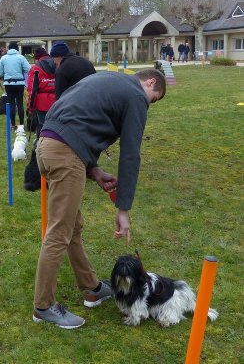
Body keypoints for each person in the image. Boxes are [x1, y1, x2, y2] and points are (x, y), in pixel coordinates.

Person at [32, 69, 167, 329]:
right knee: (59, 232)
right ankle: (43, 306)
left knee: (73, 227)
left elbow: (74, 117)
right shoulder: (136, 95)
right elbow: (130, 155)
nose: (148, 105)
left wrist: (93, 170)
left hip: (47, 145)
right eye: (153, 98)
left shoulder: (108, 78)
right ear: (150, 82)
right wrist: (123, 209)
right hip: (64, 153)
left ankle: (92, 288)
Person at [0, 41, 31, 129]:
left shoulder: (3, 58)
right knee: (20, 104)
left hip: (8, 84)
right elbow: (29, 69)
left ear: (9, 49)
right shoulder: (21, 57)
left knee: (11, 104)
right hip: (19, 83)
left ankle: (13, 125)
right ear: (16, 49)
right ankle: (21, 125)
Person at [27, 47, 56, 136]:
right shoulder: (58, 65)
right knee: (55, 127)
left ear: (36, 57)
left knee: (43, 126)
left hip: (42, 103)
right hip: (57, 100)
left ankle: (41, 146)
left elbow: (32, 90)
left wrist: (30, 107)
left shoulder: (36, 69)